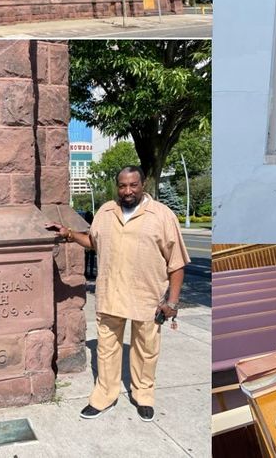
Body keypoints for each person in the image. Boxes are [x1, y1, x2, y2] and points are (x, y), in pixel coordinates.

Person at [46, 165, 190, 422]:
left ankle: (143, 396)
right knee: (107, 349)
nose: (127, 191)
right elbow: (93, 241)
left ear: (142, 184)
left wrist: (173, 302)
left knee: (146, 351)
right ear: (117, 186)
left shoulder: (162, 215)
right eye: (122, 185)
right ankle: (104, 396)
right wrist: (69, 234)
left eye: (133, 185)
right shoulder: (105, 211)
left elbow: (177, 263)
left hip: (147, 299)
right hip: (110, 295)